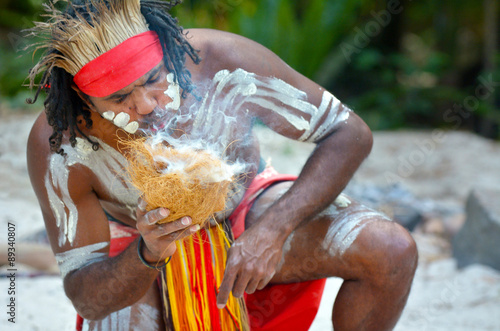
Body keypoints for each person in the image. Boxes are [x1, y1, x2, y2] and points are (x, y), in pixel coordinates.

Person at [26, 0, 418, 330]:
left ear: (165, 53)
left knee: (390, 249)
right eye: (119, 97)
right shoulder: (61, 145)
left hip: (245, 204)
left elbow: (349, 133)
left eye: (153, 79)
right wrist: (148, 250)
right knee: (117, 317)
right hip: (139, 239)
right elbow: (87, 298)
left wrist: (272, 230)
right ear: (82, 96)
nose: (145, 104)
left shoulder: (219, 60)